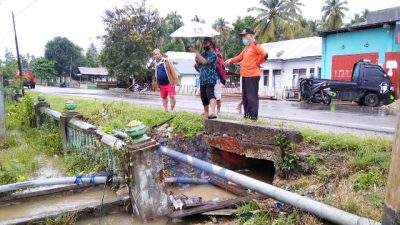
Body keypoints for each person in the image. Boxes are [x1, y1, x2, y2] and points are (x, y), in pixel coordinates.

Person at [225, 28, 267, 120]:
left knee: (252, 97)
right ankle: (247, 115)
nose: (243, 37)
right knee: (245, 97)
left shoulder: (256, 45)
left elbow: (264, 54)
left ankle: (253, 117)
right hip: (245, 75)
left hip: (253, 75)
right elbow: (240, 57)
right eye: (242, 36)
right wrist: (230, 60)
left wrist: (258, 63)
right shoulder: (247, 47)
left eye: (245, 35)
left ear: (250, 35)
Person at [192, 37, 218, 119]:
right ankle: (206, 112)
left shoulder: (213, 54)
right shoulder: (202, 53)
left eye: (206, 43)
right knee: (203, 96)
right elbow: (199, 66)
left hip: (210, 78)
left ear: (211, 44)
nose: (205, 45)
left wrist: (197, 53)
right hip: (202, 78)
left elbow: (205, 61)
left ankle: (213, 112)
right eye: (204, 43)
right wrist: (196, 62)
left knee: (210, 94)